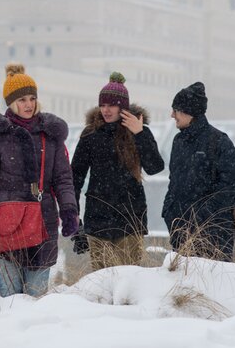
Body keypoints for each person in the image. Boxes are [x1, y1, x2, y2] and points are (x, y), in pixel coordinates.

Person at [0, 63, 79, 297]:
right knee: (9, 300)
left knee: (35, 297)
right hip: (7, 223)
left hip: (43, 221)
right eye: (22, 100)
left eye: (32, 98)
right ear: (11, 102)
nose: (28, 104)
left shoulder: (50, 135)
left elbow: (63, 179)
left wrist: (69, 211)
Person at [70, 73, 165, 270]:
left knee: (129, 283)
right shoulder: (90, 134)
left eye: (111, 105)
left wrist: (139, 134)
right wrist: (75, 222)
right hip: (98, 220)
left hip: (130, 219)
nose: (106, 110)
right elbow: (74, 180)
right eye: (102, 105)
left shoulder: (139, 131)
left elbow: (155, 167)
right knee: (102, 284)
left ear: (122, 107)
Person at [161, 82, 235, 262]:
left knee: (213, 286)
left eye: (175, 110)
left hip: (214, 234)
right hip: (181, 232)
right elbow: (174, 182)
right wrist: (168, 210)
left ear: (188, 112)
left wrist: (200, 216)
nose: (172, 115)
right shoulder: (178, 141)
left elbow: (230, 186)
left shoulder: (219, 141)